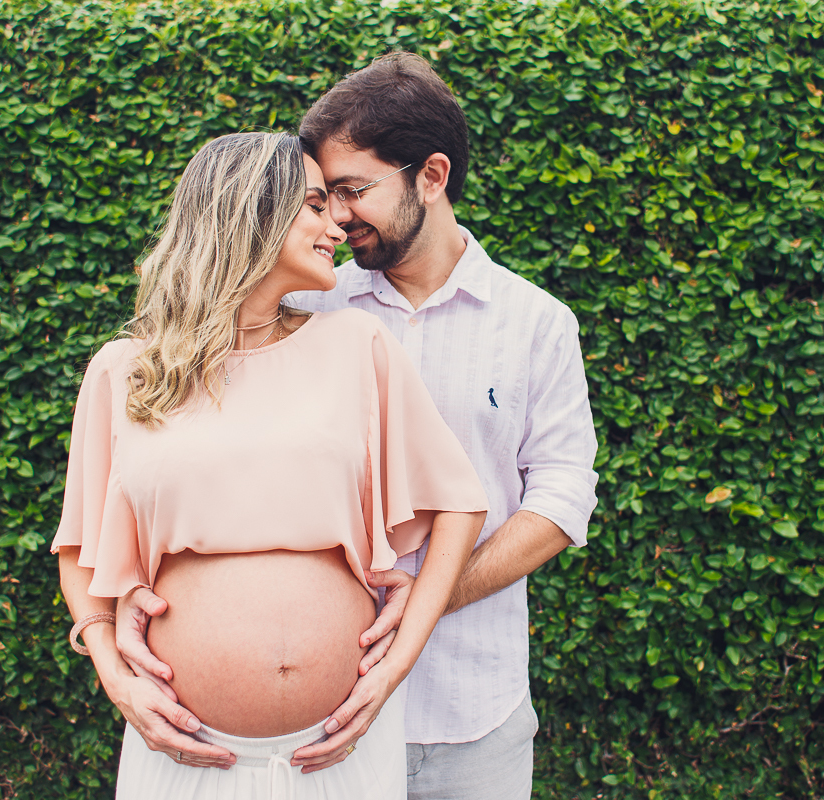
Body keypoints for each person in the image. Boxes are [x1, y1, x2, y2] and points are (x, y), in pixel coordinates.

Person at [119, 53, 599, 798]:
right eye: (324, 197)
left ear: (431, 177)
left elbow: (562, 496)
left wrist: (427, 598)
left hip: (470, 708)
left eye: (352, 190)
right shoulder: (305, 301)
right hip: (312, 735)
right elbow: (194, 469)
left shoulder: (536, 322)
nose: (337, 217)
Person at [51, 131, 488, 800]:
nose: (338, 224)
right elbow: (78, 547)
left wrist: (397, 662)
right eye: (314, 205)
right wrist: (112, 672)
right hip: (184, 751)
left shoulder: (357, 345)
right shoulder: (126, 370)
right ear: (248, 212)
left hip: (341, 752)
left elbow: (461, 502)